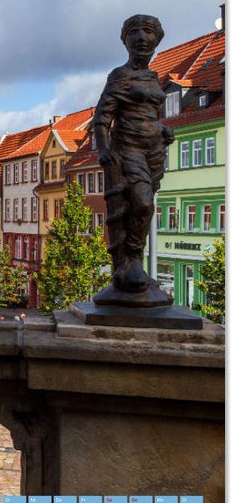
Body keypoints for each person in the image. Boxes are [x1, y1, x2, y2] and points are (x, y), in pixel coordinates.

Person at [93, 15, 174, 295]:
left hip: (154, 151)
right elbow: (102, 117)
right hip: (127, 148)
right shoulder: (120, 75)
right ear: (125, 40)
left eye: (148, 31)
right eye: (135, 32)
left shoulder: (153, 77)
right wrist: (103, 149)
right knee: (141, 204)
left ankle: (132, 265)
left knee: (142, 207)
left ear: (156, 40)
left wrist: (163, 129)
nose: (141, 37)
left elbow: (153, 115)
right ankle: (130, 262)